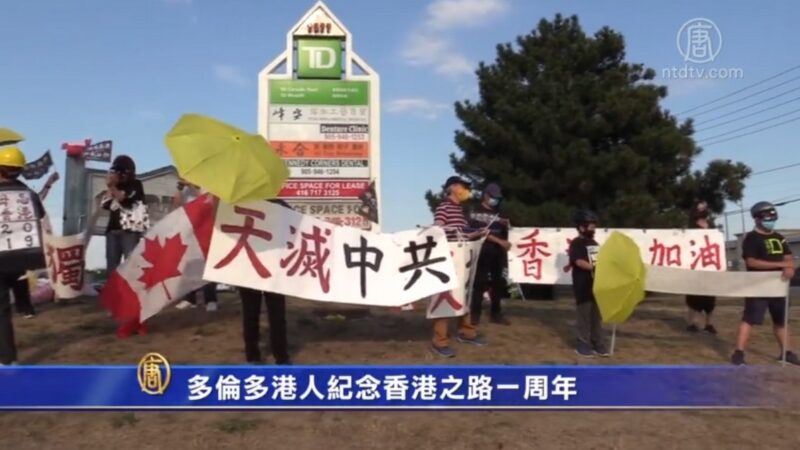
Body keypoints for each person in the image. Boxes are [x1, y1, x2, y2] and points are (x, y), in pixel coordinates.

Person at [731, 201, 798, 366]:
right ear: (757, 219)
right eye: (767, 217)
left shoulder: (779, 238)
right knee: (749, 319)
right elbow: (752, 262)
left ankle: (786, 352)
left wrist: (789, 268)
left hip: (779, 286)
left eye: (773, 216)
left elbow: (788, 258)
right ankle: (738, 354)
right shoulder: (752, 238)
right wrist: (780, 265)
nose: (771, 220)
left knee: (781, 321)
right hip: (758, 286)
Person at [430, 176, 487, 358]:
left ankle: (466, 332)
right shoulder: (444, 207)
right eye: (463, 186)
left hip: (463, 259)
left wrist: (476, 233)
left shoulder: (460, 210)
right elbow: (437, 228)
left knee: (465, 294)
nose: (466, 190)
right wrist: (449, 230)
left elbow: (462, 235)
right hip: (448, 260)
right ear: (452, 187)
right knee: (444, 297)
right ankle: (439, 341)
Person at [0, 147, 46, 365]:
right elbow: (40, 216)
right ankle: (9, 358)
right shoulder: (29, 195)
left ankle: (7, 360)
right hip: (21, 259)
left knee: (1, 312)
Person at [102, 155, 149, 338]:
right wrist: (110, 187)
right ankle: (115, 306)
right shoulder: (113, 187)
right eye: (115, 172)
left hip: (130, 232)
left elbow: (125, 200)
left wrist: (113, 187)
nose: (117, 176)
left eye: (120, 173)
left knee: (132, 271)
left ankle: (135, 311)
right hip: (113, 232)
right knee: (112, 270)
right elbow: (106, 204)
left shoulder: (136, 185)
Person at [240, 199, 292, 365]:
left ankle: (254, 356)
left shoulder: (239, 206)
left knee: (252, 314)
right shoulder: (281, 206)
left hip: (252, 268)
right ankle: (281, 357)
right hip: (260, 268)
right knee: (275, 315)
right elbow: (297, 226)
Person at [11, 172, 59, 318]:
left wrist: (49, 184)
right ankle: (24, 307)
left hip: (15, 241)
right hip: (15, 242)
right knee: (18, 276)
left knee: (19, 276)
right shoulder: (23, 190)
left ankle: (24, 307)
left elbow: (37, 201)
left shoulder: (21, 191)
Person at [171, 178, 219, 312]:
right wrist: (180, 189)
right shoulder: (185, 190)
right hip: (189, 227)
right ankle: (189, 298)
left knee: (207, 265)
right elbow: (175, 206)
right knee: (189, 264)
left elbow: (208, 202)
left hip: (206, 228)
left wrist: (192, 185)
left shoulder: (208, 186)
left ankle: (211, 299)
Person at [468, 182, 512, 325]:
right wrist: (500, 242)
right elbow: (480, 231)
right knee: (479, 282)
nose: (495, 200)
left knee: (498, 282)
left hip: (498, 253)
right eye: (493, 197)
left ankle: (496, 313)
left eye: (497, 198)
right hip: (483, 250)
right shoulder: (475, 210)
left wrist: (507, 226)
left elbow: (507, 232)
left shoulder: (499, 212)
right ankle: (475, 313)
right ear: (486, 195)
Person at [569, 209, 609, 358]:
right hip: (583, 286)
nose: (593, 229)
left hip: (596, 286)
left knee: (596, 317)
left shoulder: (594, 243)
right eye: (590, 226)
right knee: (584, 317)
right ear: (581, 227)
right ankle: (582, 344)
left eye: (594, 226)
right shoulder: (577, 243)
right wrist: (593, 267)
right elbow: (578, 261)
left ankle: (598, 342)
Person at [685, 200, 717, 334]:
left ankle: (709, 324)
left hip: (708, 266)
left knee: (710, 298)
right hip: (694, 266)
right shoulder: (690, 228)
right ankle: (692, 323)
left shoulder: (711, 226)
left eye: (705, 207)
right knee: (693, 297)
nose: (703, 210)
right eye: (700, 208)